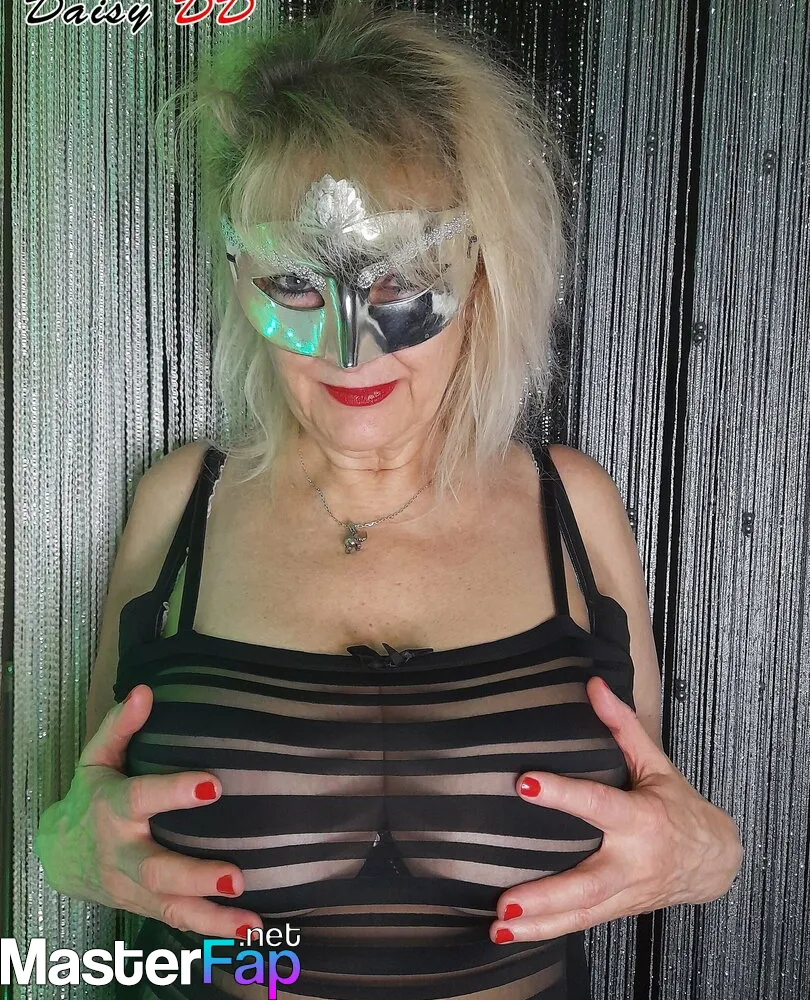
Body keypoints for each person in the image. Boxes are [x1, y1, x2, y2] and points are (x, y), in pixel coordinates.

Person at [34, 2, 742, 998]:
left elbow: (660, 821)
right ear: (239, 277)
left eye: (401, 278)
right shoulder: (179, 507)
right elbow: (88, 818)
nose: (349, 347)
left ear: (482, 271)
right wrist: (63, 850)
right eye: (294, 280)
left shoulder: (574, 509)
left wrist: (709, 856)